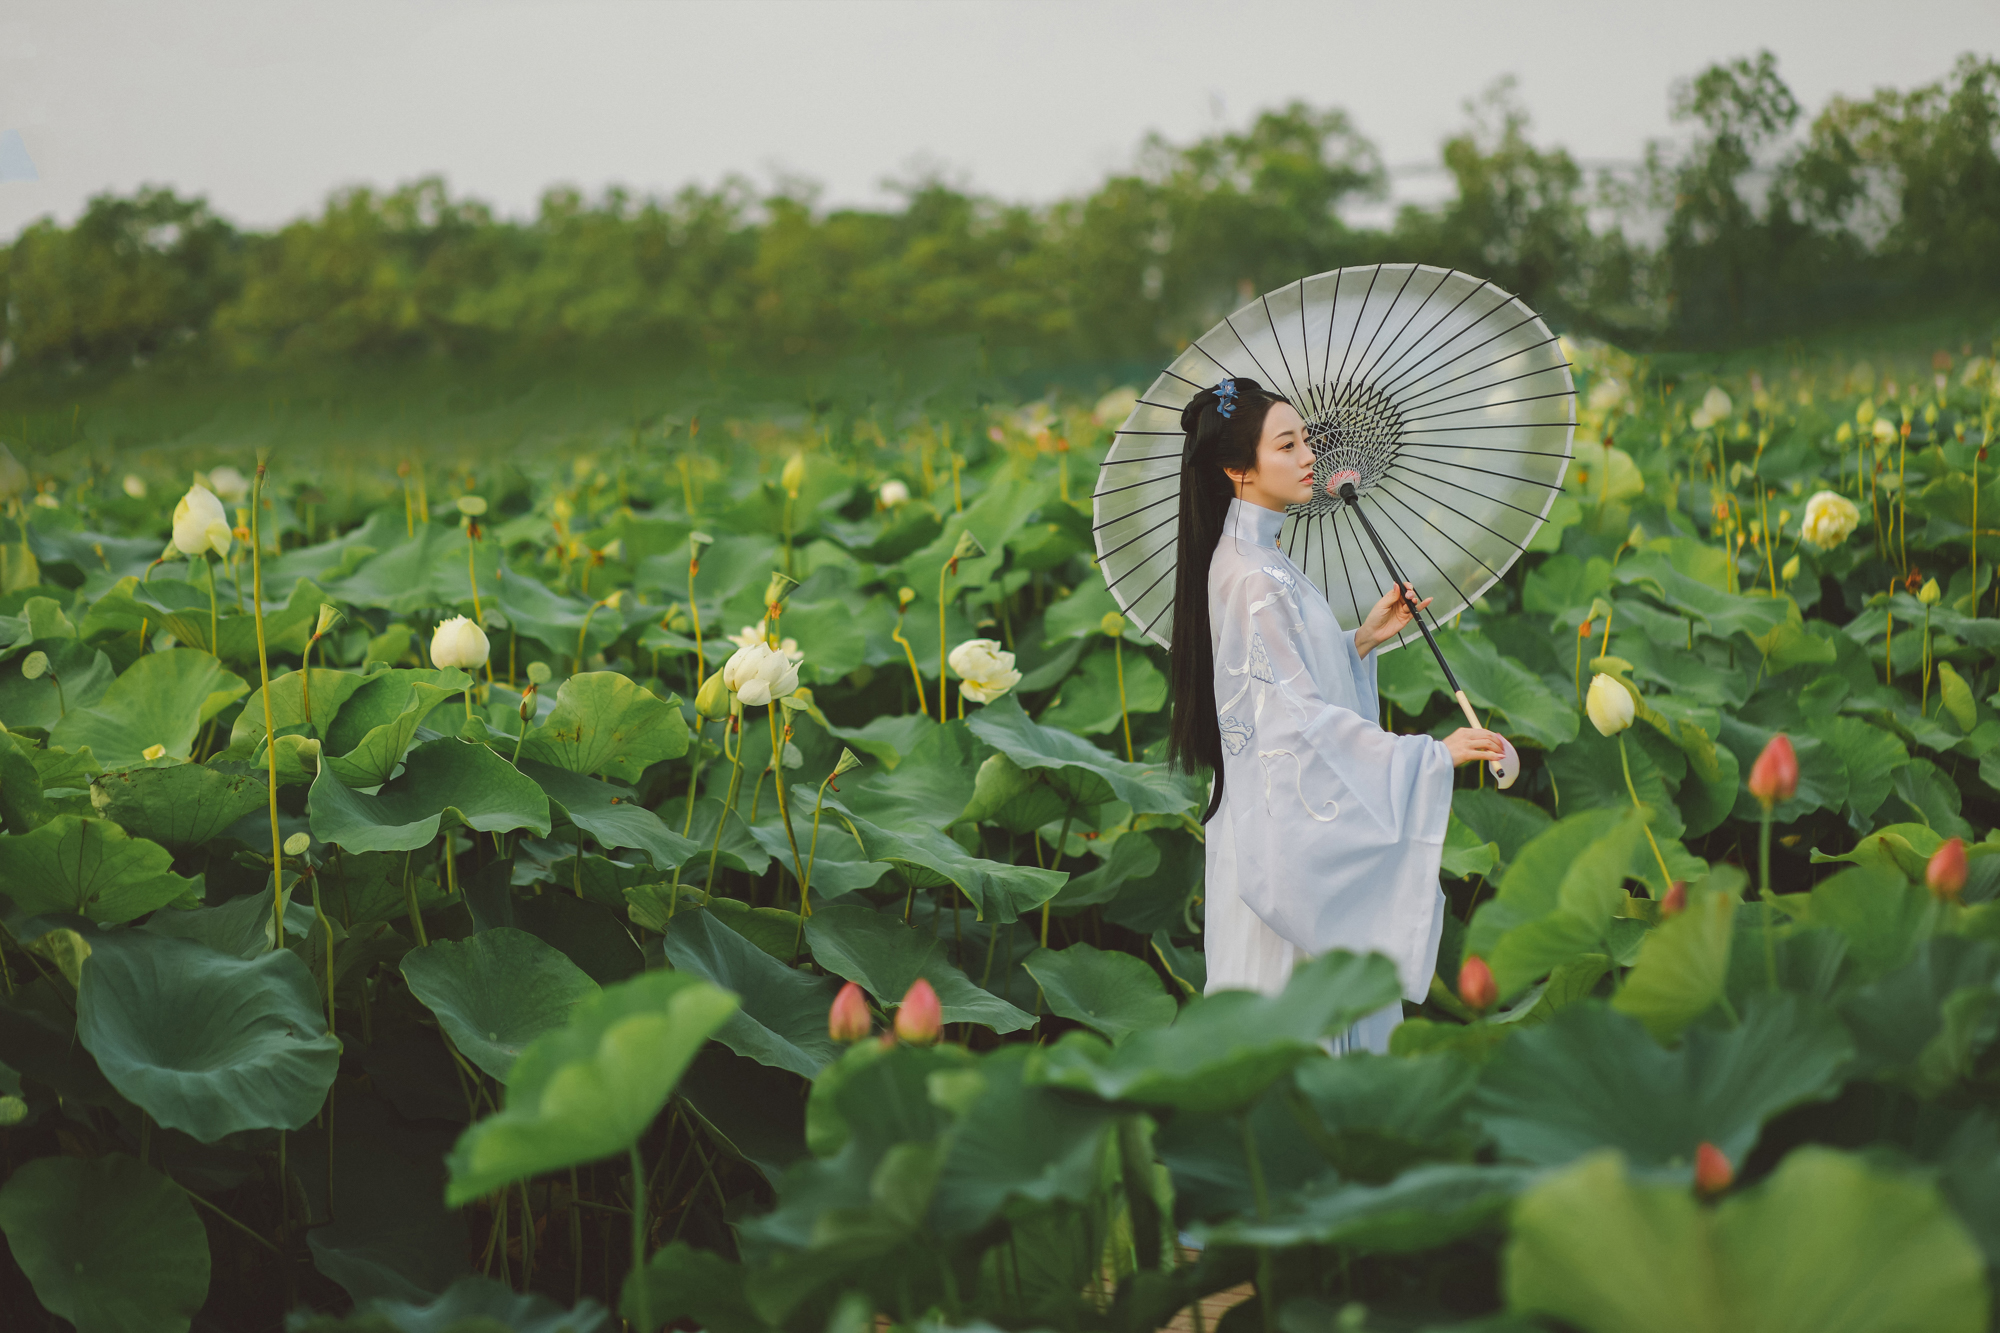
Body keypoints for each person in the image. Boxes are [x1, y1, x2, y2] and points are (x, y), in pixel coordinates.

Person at [1164, 376, 1506, 1053]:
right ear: (1238, 469)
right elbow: (1295, 726)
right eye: (1286, 445)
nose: (1308, 456)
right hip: (1285, 840)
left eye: (1306, 440)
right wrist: (1429, 755)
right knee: (1300, 1036)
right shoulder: (1255, 577)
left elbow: (1278, 687)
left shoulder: (1255, 558)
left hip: (1265, 823)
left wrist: (1360, 642)